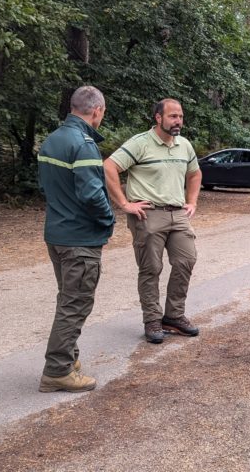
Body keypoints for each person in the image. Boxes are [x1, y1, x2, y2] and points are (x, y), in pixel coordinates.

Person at [104, 98, 202, 344]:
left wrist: (192, 201)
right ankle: (152, 320)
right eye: (172, 116)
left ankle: (174, 316)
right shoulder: (141, 143)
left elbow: (195, 173)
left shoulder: (184, 145)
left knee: (186, 261)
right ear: (158, 118)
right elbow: (109, 167)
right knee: (151, 268)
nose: (178, 121)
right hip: (148, 215)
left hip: (178, 214)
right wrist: (125, 204)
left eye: (180, 116)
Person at [37, 85, 114, 393]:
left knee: (67, 298)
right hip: (79, 239)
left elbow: (49, 188)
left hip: (57, 234)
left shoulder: (52, 140)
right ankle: (57, 370)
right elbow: (92, 195)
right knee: (75, 303)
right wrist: (107, 222)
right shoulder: (83, 145)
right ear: (96, 110)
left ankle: (68, 358)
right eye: (103, 112)